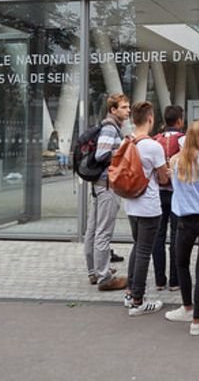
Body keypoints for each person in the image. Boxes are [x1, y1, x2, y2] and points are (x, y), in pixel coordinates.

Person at [163, 121, 199, 336]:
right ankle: (197, 320)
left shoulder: (175, 161)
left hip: (183, 220)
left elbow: (173, 188)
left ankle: (187, 307)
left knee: (181, 264)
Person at [123, 101, 169, 317]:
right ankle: (138, 301)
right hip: (149, 205)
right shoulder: (153, 146)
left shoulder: (127, 142)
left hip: (130, 203)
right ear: (150, 119)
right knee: (144, 251)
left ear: (134, 120)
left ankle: (130, 291)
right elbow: (163, 177)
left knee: (137, 246)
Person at [84, 93, 129, 291]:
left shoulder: (107, 127)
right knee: (103, 232)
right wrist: (123, 151)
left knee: (93, 231)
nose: (128, 110)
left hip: (99, 185)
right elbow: (102, 154)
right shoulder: (110, 129)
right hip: (107, 187)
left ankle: (94, 272)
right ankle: (104, 278)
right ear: (113, 110)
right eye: (124, 107)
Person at [152, 105, 185, 291]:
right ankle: (175, 280)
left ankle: (159, 280)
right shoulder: (183, 140)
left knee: (158, 236)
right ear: (179, 121)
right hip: (176, 193)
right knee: (175, 236)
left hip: (158, 192)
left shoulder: (154, 140)